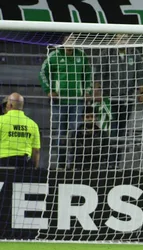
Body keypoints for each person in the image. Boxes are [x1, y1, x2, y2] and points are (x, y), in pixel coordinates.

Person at [39, 35, 92, 169]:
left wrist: (87, 91)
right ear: (63, 42)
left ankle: (73, 163)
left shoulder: (82, 56)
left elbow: (88, 75)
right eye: (69, 41)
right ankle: (61, 164)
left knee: (75, 133)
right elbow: (42, 73)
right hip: (60, 102)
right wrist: (49, 90)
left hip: (77, 102)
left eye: (74, 41)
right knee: (61, 133)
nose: (71, 43)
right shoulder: (54, 55)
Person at [94, 34, 143, 138]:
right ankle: (109, 153)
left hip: (127, 97)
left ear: (129, 40)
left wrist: (142, 92)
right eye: (119, 38)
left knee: (122, 128)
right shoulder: (107, 53)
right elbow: (99, 74)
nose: (122, 40)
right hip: (110, 97)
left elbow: (140, 75)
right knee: (112, 127)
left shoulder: (135, 54)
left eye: (125, 38)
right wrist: (96, 91)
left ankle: (118, 154)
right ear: (114, 40)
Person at [0, 93, 41, 168]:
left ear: (9, 105)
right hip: (24, 165)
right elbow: (36, 151)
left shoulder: (1, 120)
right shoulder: (33, 124)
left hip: (3, 163)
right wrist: (34, 169)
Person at [72, 106, 109, 170]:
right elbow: (78, 150)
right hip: (81, 165)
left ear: (96, 118)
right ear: (83, 118)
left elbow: (105, 151)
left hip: (97, 165)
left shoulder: (103, 134)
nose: (90, 119)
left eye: (92, 116)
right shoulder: (76, 134)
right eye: (87, 117)